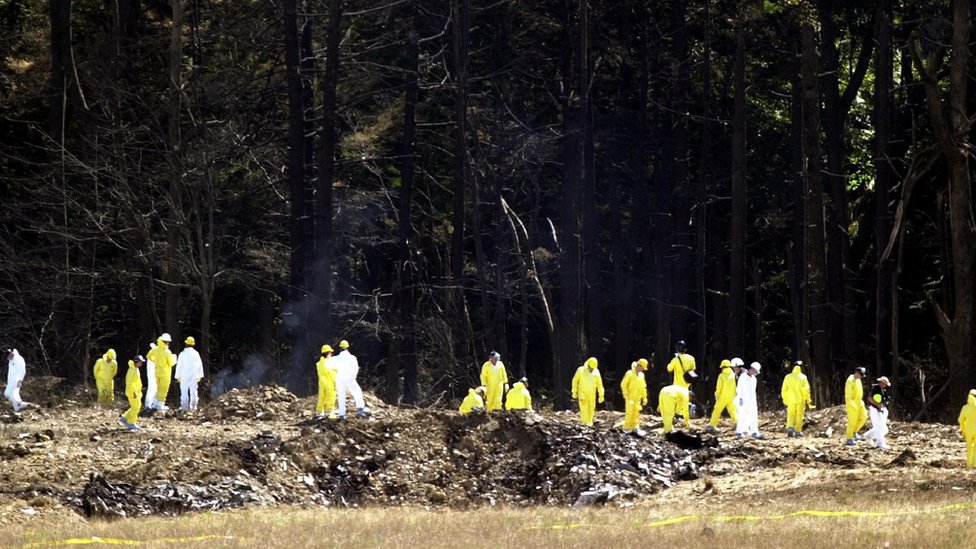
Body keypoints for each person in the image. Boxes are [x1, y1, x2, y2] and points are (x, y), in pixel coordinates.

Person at [332, 340, 367, 418]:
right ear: (347, 348)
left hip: (340, 379)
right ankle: (360, 408)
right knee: (357, 392)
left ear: (340, 348)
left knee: (341, 396)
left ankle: (342, 414)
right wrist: (352, 377)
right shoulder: (352, 358)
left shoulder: (335, 359)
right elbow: (355, 369)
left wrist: (335, 377)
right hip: (350, 378)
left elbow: (330, 368)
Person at [781, 360, 813, 437]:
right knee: (799, 415)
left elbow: (784, 389)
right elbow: (807, 389)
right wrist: (808, 400)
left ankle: (790, 428)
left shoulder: (788, 377)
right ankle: (798, 431)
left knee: (791, 414)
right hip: (800, 399)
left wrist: (785, 399)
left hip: (791, 399)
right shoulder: (803, 377)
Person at [571, 357, 605, 426]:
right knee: (584, 410)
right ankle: (585, 424)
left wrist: (601, 395)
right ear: (588, 365)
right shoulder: (581, 370)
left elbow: (599, 384)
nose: (591, 370)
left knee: (591, 410)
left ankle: (589, 423)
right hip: (583, 394)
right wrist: (574, 391)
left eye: (592, 368)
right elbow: (575, 381)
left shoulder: (596, 372)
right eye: (590, 368)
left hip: (592, 395)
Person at [146, 333, 176, 410]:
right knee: (163, 389)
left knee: (158, 388)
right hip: (165, 373)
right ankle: (160, 405)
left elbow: (148, 356)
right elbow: (172, 363)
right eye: (167, 342)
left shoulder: (155, 349)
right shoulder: (167, 352)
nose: (168, 343)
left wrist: (155, 361)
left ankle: (155, 404)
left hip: (157, 372)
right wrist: (175, 358)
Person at [707, 359, 738, 433]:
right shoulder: (734, 375)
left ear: (722, 367)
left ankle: (712, 425)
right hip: (732, 396)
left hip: (722, 397)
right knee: (733, 411)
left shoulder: (721, 375)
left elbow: (719, 387)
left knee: (717, 410)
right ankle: (737, 423)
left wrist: (716, 394)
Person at [175, 336, 204, 412]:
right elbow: (200, 364)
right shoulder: (196, 354)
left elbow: (179, 365)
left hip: (184, 375)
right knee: (194, 391)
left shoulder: (182, 354)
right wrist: (200, 375)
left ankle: (184, 408)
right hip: (194, 375)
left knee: (184, 391)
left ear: (186, 344)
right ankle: (194, 407)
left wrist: (177, 376)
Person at [863, 376, 891, 449]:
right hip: (874, 410)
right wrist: (876, 404)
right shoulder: (875, 389)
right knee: (879, 427)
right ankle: (880, 443)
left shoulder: (883, 390)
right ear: (882, 383)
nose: (885, 386)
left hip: (880, 410)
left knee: (884, 429)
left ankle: (868, 435)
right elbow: (869, 398)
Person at [620, 359, 649, 431]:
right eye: (642, 368)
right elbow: (623, 384)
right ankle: (626, 427)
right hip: (630, 397)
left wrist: (644, 397)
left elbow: (643, 387)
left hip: (637, 398)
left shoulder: (641, 375)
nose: (642, 370)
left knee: (636, 413)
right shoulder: (629, 373)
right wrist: (626, 395)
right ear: (639, 366)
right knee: (629, 413)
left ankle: (635, 427)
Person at [736, 362, 762, 439]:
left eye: (755, 371)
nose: (753, 372)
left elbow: (753, 391)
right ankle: (739, 432)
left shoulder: (754, 379)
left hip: (752, 401)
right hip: (743, 400)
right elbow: (739, 388)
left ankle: (754, 432)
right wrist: (740, 398)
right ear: (751, 368)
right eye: (753, 370)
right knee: (742, 417)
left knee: (753, 417)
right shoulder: (743, 377)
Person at [119, 355, 145, 431]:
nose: (142, 363)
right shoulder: (132, 370)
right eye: (141, 362)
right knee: (136, 407)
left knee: (136, 406)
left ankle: (124, 418)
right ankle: (131, 423)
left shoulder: (135, 369)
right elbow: (130, 383)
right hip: (133, 392)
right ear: (137, 362)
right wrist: (134, 392)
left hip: (136, 392)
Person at [845, 366, 868, 446]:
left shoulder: (858, 380)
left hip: (859, 402)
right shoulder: (850, 380)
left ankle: (854, 431)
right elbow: (848, 395)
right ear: (857, 373)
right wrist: (852, 404)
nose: (861, 377)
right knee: (852, 421)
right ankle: (849, 438)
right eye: (861, 375)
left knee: (864, 416)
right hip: (852, 404)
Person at [315, 344, 337, 419]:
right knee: (331, 396)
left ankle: (319, 412)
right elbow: (332, 373)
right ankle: (329, 412)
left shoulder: (319, 363)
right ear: (327, 353)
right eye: (330, 352)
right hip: (329, 382)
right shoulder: (328, 363)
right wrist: (335, 381)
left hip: (322, 383)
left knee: (322, 397)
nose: (331, 354)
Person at [959, 389, 976, 468]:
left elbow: (960, 419)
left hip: (968, 430)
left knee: (970, 447)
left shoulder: (965, 407)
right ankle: (975, 464)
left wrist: (962, 428)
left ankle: (969, 465)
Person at [143, 341, 157, 410]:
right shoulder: (153, 356)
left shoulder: (150, 355)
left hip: (152, 375)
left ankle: (149, 403)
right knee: (152, 388)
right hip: (153, 375)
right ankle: (149, 404)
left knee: (152, 388)